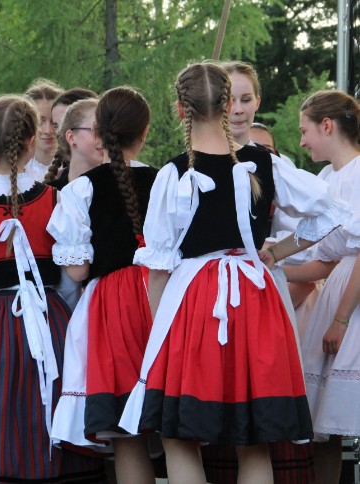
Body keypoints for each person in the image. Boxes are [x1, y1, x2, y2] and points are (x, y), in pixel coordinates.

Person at [119, 61, 350, 484]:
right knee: (253, 439)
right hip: (255, 298)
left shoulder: (174, 173)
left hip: (193, 303)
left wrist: (160, 336)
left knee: (179, 436)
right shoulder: (265, 163)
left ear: (180, 109)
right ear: (228, 105)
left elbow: (159, 266)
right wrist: (276, 252)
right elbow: (333, 213)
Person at [0, 94, 104, 482]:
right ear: (30, 142)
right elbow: (69, 281)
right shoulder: (56, 199)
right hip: (51, 320)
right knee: (48, 422)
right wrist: (57, 316)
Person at [48, 86, 158, 483]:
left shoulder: (82, 188)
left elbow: (77, 271)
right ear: (144, 132)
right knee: (175, 425)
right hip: (164, 297)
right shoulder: (167, 180)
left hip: (115, 306)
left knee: (127, 433)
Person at [284, 89, 360, 484]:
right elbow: (324, 257)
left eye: (304, 131)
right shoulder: (327, 178)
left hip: (353, 299)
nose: (301, 141)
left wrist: (342, 319)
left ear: (326, 126)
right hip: (337, 289)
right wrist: (273, 267)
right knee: (326, 423)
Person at [24, 78, 64, 183]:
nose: (48, 130)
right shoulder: (14, 172)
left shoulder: (75, 169)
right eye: (40, 121)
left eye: (54, 122)